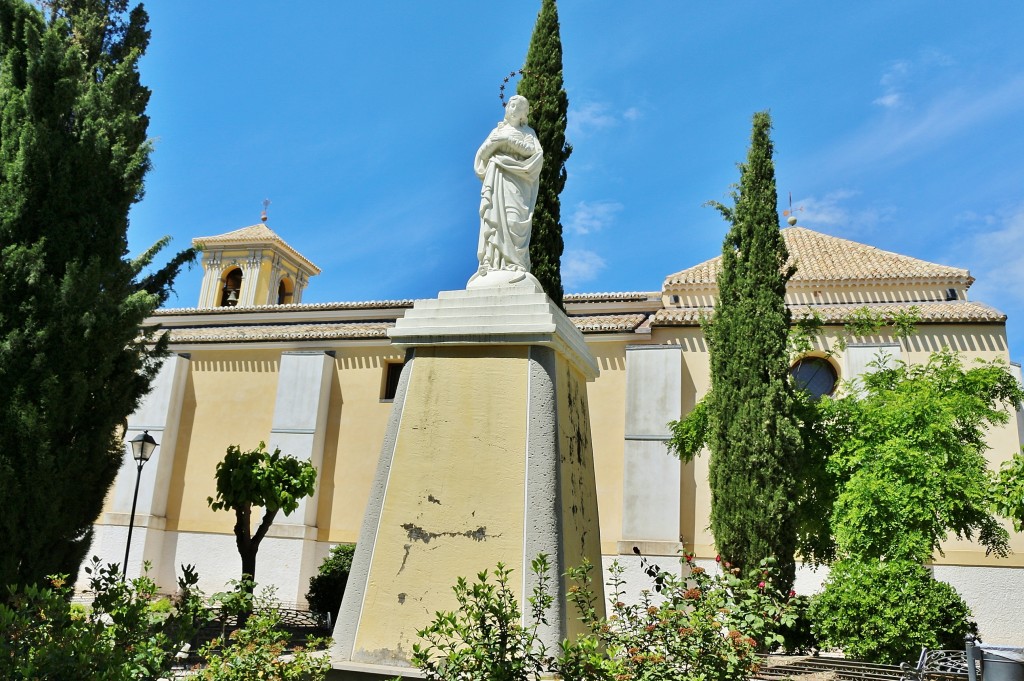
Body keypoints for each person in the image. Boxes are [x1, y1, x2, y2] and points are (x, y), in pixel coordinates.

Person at [471, 95, 544, 283]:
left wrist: (507, 141)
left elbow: (534, 153)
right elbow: (481, 157)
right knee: (495, 220)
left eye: (517, 106)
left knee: (513, 222)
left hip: (518, 182)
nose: (512, 108)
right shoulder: (497, 130)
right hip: (498, 180)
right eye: (511, 104)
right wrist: (495, 143)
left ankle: (516, 264)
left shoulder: (528, 132)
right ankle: (495, 263)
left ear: (523, 113)